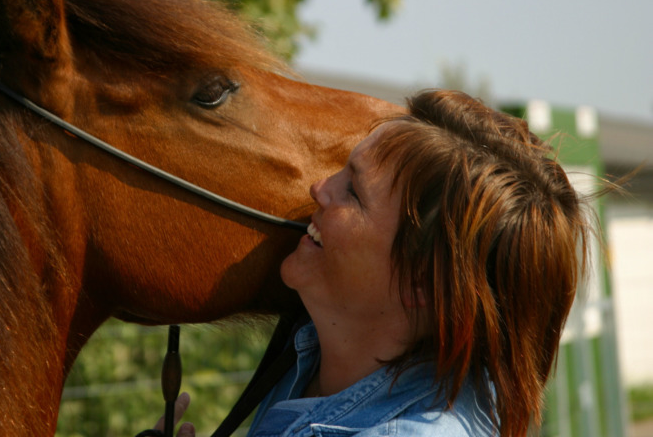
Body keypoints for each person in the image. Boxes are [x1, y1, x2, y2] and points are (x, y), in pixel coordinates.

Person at [162, 89, 595, 437]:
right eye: (342, 171)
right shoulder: (320, 353)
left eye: (353, 192)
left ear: (421, 281)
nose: (319, 188)